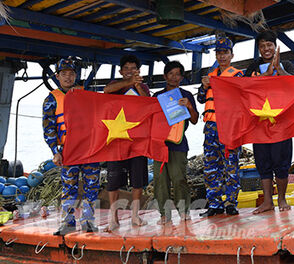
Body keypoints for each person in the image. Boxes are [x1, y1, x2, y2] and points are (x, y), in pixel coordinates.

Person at [42, 58, 100, 235]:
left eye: (71, 74)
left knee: (92, 185)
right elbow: (49, 128)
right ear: (57, 76)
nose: (68, 77)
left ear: (76, 75)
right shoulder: (51, 99)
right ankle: (68, 222)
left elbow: (101, 118)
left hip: (89, 148)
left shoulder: (86, 94)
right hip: (67, 150)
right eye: (64, 74)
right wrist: (55, 152)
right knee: (69, 187)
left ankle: (88, 221)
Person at [244, 30, 294, 214]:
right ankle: (267, 201)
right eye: (262, 46)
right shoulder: (253, 68)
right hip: (259, 124)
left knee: (281, 163)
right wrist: (266, 74)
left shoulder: (287, 64)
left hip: (282, 123)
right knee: (263, 162)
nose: (266, 49)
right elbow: (244, 88)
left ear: (275, 46)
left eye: (269, 45)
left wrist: (279, 70)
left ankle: (282, 199)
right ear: (259, 49)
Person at [197, 35, 244, 217]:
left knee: (231, 165)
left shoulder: (237, 75)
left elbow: (242, 98)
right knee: (210, 166)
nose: (222, 56)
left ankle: (231, 203)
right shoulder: (210, 76)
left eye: (225, 53)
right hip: (210, 128)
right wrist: (203, 86)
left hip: (229, 127)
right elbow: (202, 99)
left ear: (231, 55)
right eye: (219, 53)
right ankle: (214, 204)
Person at [103, 54, 150, 230]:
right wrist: (129, 83)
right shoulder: (115, 85)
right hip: (116, 142)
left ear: (139, 71)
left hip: (138, 142)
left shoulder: (142, 86)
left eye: (134, 69)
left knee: (138, 181)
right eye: (127, 69)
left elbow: (149, 103)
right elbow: (106, 92)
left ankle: (135, 216)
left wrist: (138, 86)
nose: (130, 71)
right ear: (121, 71)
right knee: (113, 180)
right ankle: (113, 217)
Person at [152, 61, 198, 223]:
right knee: (160, 180)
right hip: (159, 145)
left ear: (181, 77)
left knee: (179, 178)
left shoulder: (186, 95)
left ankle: (184, 211)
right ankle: (164, 214)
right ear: (165, 76)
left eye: (177, 74)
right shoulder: (157, 96)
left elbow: (194, 120)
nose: (174, 77)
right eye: (170, 74)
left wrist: (190, 108)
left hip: (179, 144)